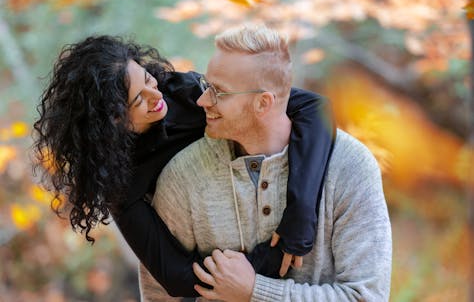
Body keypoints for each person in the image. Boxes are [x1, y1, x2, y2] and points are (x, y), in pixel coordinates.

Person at [32, 35, 335, 297]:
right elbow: (175, 276)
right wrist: (259, 270)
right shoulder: (120, 180)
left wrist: (300, 213)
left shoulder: (185, 92)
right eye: (139, 99)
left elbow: (313, 107)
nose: (157, 96)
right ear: (114, 120)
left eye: (148, 79)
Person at [141, 25, 392, 301]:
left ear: (263, 103)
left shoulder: (350, 167)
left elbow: (367, 296)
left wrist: (255, 292)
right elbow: (159, 298)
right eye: (206, 85)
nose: (202, 100)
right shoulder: (183, 176)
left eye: (219, 92)